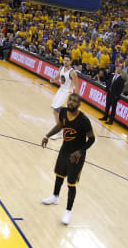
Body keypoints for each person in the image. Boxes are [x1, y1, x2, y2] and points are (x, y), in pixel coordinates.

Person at [41, 93, 96, 225]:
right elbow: (60, 126)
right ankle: (54, 197)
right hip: (65, 149)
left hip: (76, 155)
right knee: (59, 175)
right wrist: (47, 135)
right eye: (70, 100)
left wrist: (80, 152)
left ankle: (68, 212)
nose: (71, 102)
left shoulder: (84, 120)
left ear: (79, 104)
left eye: (74, 101)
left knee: (71, 183)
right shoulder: (64, 112)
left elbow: (92, 139)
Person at [48, 55, 78, 139]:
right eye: (65, 60)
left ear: (71, 62)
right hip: (60, 91)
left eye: (68, 60)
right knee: (55, 111)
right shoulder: (61, 68)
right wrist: (53, 80)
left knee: (58, 111)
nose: (66, 62)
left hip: (67, 93)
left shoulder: (73, 72)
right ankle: (61, 128)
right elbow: (58, 78)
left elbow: (77, 86)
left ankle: (60, 130)